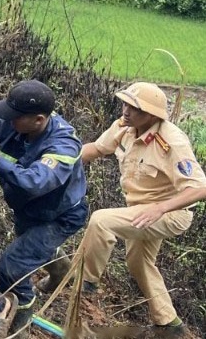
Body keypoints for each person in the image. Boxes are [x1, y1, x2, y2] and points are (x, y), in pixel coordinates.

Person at [78, 82, 206, 337]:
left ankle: (85, 281)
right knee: (139, 262)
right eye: (125, 103)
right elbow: (97, 148)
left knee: (101, 221)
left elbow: (200, 188)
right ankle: (169, 324)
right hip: (140, 210)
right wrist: (60, 162)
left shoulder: (171, 141)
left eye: (134, 107)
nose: (125, 110)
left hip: (170, 214)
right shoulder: (125, 127)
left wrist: (160, 208)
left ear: (151, 115)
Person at [0, 79, 88, 336]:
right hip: (29, 210)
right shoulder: (16, 122)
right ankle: (61, 270)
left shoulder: (63, 145)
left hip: (59, 216)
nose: (8, 122)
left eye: (15, 117)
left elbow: (34, 182)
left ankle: (19, 324)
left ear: (39, 120)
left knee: (13, 267)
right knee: (35, 246)